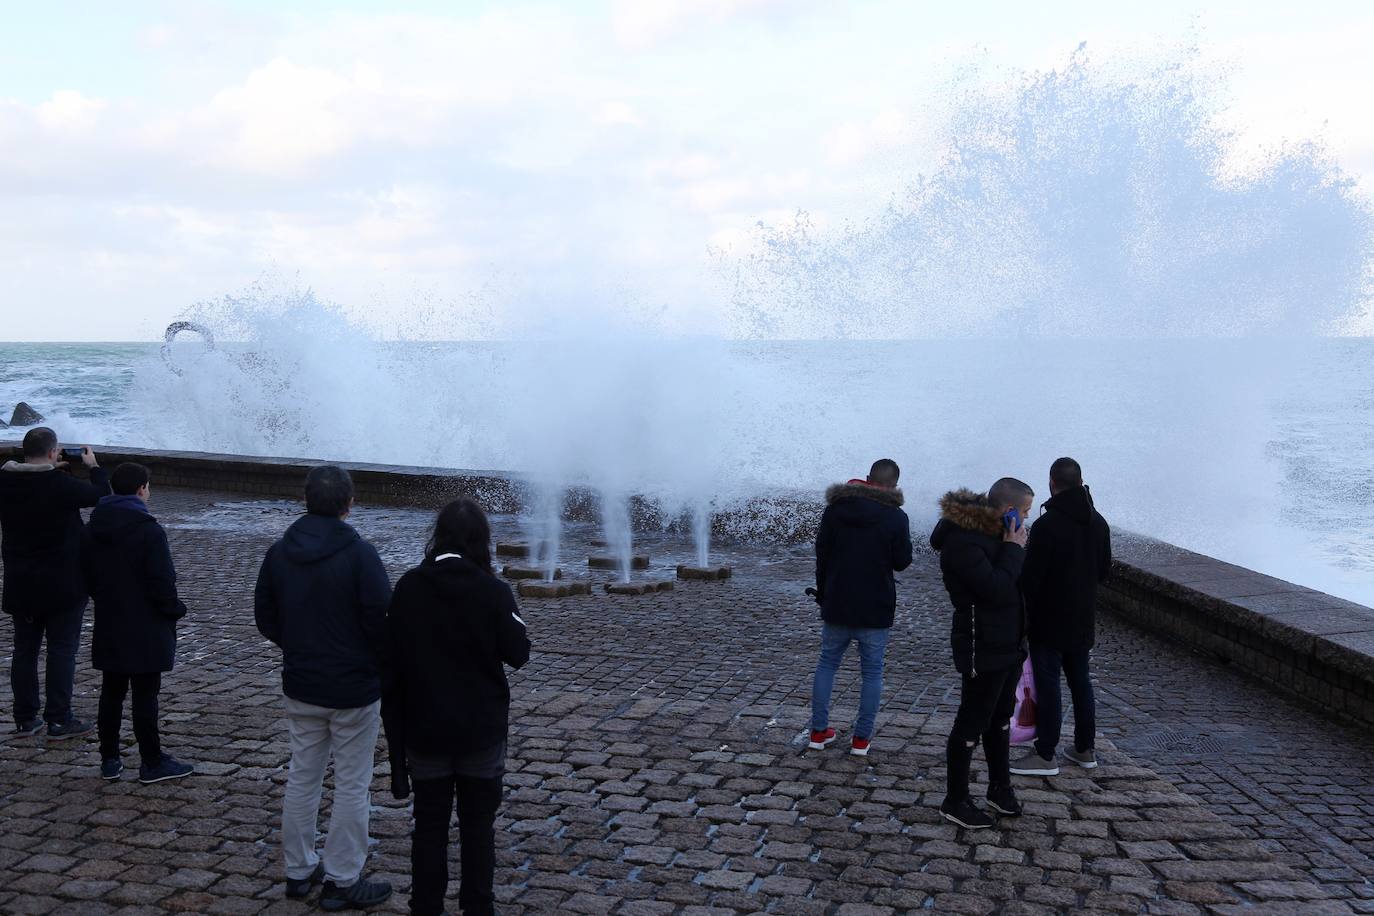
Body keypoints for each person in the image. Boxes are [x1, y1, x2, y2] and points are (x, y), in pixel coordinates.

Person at [255, 465, 393, 911]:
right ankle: (343, 877)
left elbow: (266, 617)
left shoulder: (280, 553)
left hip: (302, 682)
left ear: (307, 499)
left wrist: (297, 645)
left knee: (303, 774)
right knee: (353, 783)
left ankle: (298, 870)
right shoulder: (361, 555)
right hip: (353, 688)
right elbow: (380, 622)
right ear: (349, 504)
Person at [383, 498, 530, 916]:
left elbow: (389, 660)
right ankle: (477, 906)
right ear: (481, 541)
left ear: (438, 536)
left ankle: (426, 906)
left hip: (425, 728)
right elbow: (519, 652)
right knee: (477, 826)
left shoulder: (409, 587)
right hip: (479, 731)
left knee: (429, 825)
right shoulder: (492, 591)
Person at [930, 477, 1034, 829]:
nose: (1027, 519)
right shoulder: (963, 540)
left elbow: (1016, 584)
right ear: (1008, 511)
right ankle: (955, 799)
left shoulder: (998, 536)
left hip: (1009, 642)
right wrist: (1013, 548)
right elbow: (995, 590)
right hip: (981, 644)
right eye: (1025, 512)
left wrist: (1014, 549)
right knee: (972, 721)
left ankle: (999, 788)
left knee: (1001, 716)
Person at [81, 462, 194, 784]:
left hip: (110, 619)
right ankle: (151, 761)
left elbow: (86, 574)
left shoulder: (92, 527)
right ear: (142, 489)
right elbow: (161, 580)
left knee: (111, 691)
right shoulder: (148, 530)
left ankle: (110, 758)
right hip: (146, 623)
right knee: (145, 694)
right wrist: (175, 610)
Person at [0, 427, 109, 738]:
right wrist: (94, 467)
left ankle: (24, 718)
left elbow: (31, 484)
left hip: (20, 583)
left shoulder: (5, 481)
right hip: (62, 584)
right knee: (61, 650)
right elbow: (100, 494)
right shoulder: (60, 484)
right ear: (52, 452)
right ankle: (59, 718)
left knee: (24, 650)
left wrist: (52, 469)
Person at [1011, 457, 1112, 776]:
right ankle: (1084, 748)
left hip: (1049, 619)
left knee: (1048, 684)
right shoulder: (1099, 523)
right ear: (1080, 482)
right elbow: (1104, 571)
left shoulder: (1046, 525)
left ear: (1052, 484)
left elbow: (1031, 579)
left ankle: (1045, 754)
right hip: (1082, 617)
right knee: (1081, 682)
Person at [809, 458, 914, 757]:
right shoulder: (896, 517)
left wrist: (824, 595)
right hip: (876, 606)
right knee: (872, 673)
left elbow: (822, 556)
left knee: (827, 664)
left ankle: (818, 732)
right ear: (893, 486)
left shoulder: (836, 510)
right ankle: (861, 740)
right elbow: (902, 562)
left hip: (838, 601)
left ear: (868, 478)